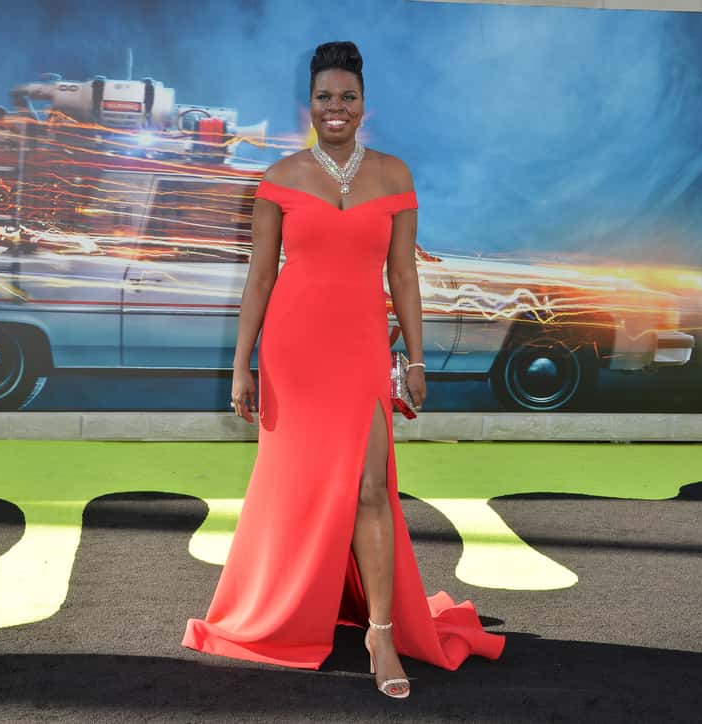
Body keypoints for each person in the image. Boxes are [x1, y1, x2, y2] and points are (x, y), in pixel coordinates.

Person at [182, 40, 505, 699]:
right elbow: (260, 277)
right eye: (326, 97)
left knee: (369, 489)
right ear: (311, 105)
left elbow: (405, 277)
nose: (337, 107)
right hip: (294, 353)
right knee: (299, 488)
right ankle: (295, 607)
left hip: (361, 351)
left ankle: (380, 633)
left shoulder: (394, 176)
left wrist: (414, 357)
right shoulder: (279, 177)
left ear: (365, 106)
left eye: (348, 97)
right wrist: (241, 364)